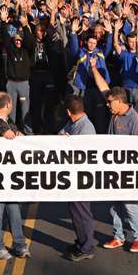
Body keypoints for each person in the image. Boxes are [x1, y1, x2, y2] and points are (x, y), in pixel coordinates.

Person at [91, 59, 138, 253]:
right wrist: (92, 68)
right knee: (114, 205)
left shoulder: (134, 119)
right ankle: (119, 236)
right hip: (112, 167)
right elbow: (103, 88)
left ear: (120, 102)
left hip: (127, 169)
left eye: (110, 102)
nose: (107, 105)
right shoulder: (115, 112)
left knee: (130, 204)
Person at [0, 92, 30, 260]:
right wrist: (16, 136)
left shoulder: (6, 120)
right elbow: (9, 136)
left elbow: (16, 134)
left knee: (14, 210)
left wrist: (19, 135)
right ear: (8, 105)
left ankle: (19, 244)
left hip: (9, 176)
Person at [59, 94, 96, 262]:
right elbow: (61, 133)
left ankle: (87, 247)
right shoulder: (74, 123)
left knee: (82, 213)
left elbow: (84, 156)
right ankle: (81, 242)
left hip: (81, 178)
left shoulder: (85, 129)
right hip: (73, 177)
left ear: (68, 112)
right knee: (76, 212)